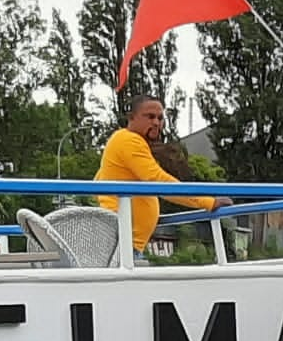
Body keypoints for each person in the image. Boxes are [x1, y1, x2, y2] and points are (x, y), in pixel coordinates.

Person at [96, 96, 231, 254]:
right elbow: (159, 182)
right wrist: (209, 202)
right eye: (150, 116)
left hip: (122, 238)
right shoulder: (129, 141)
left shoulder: (122, 140)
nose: (156, 122)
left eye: (160, 118)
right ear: (131, 117)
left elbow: (100, 178)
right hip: (121, 239)